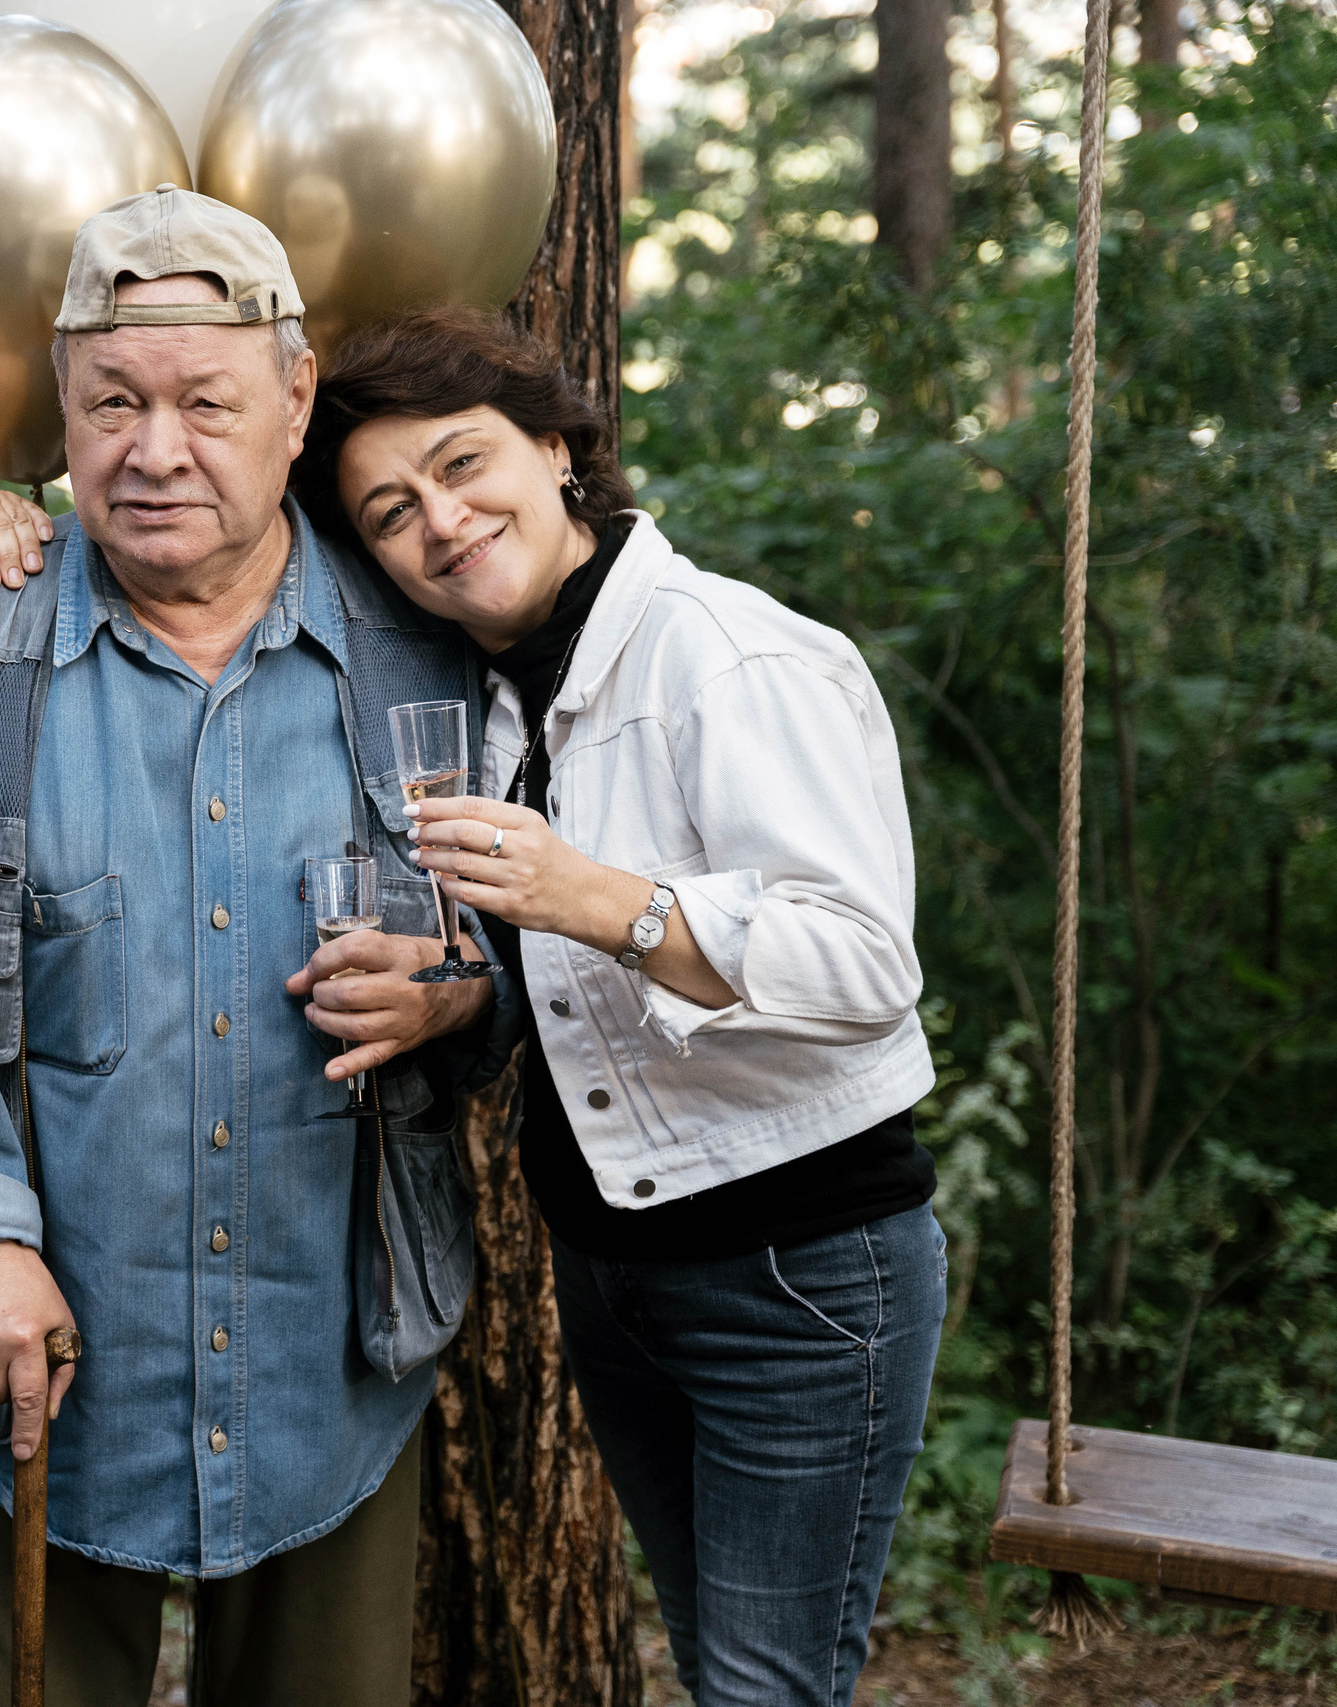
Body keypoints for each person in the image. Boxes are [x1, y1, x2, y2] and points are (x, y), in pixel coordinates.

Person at [0, 187, 512, 1707]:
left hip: (332, 1361)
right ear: (60, 416)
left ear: (292, 403)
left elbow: (532, 955)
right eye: (111, 403)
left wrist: (456, 992)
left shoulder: (424, 643)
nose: (154, 451)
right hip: (38, 1365)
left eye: (205, 402)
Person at [291, 304, 946, 1707]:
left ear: (557, 449)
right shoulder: (508, 694)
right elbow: (576, 989)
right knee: (725, 1667)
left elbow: (865, 967)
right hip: (618, 1278)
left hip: (798, 1274)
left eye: (466, 466)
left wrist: (601, 897)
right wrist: (456, 1003)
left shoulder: (730, 656)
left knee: (765, 1686)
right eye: (392, 510)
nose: (443, 522)